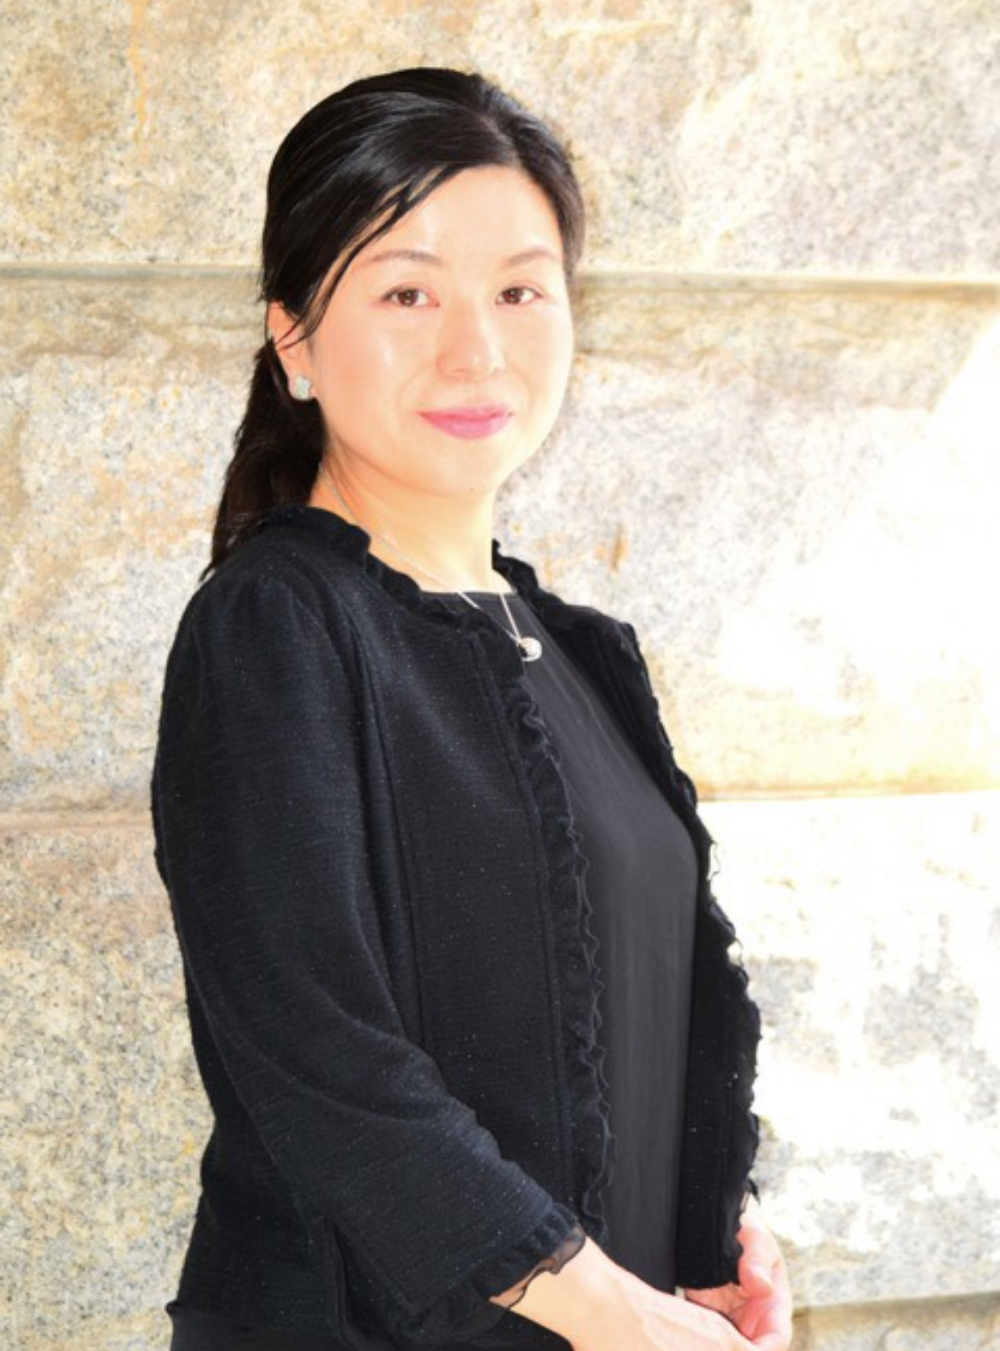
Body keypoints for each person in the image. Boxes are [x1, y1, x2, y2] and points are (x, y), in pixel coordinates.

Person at [151, 67, 793, 1351]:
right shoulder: (276, 626)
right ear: (292, 338)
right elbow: (322, 1061)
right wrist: (613, 1313)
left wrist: (714, 1240)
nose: (475, 349)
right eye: (407, 293)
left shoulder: (576, 648)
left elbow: (626, 1011)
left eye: (518, 290)